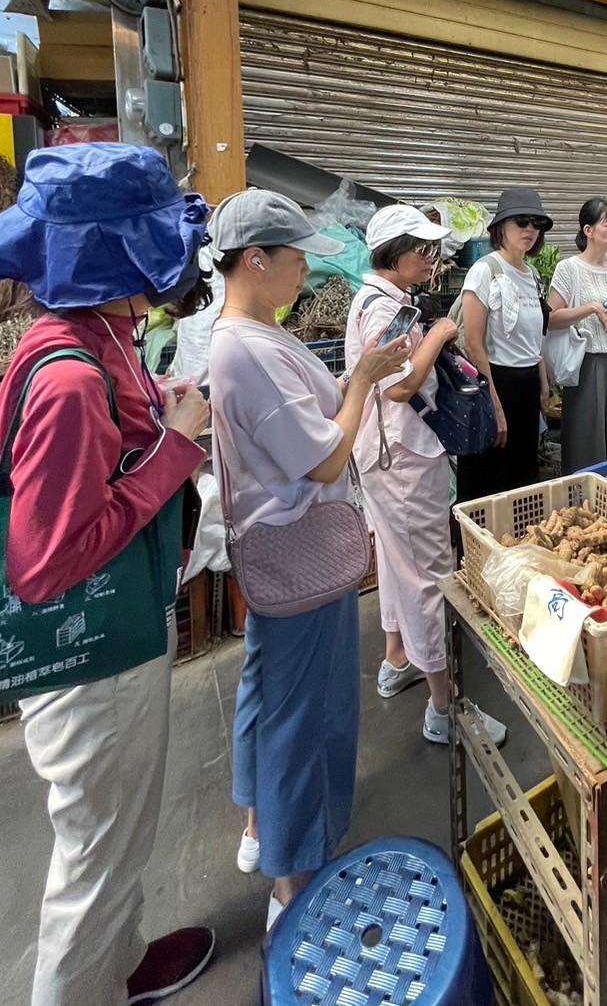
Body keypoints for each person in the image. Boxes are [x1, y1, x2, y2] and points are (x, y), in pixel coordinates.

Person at [0, 143, 215, 1006]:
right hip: (94, 662)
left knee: (115, 833)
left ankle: (120, 962)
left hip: (116, 641)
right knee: (96, 847)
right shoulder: (73, 378)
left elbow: (112, 451)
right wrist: (180, 447)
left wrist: (166, 404)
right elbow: (45, 563)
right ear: (119, 253)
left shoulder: (91, 335)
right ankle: (79, 981)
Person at [205, 190, 408, 928]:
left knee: (269, 697)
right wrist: (363, 379)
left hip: (279, 555)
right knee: (304, 719)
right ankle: (297, 890)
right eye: (295, 263)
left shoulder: (253, 334)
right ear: (254, 261)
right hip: (300, 554)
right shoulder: (245, 350)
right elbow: (324, 460)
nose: (305, 278)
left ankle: (262, 828)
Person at [345, 204, 507, 746]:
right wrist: (440, 332)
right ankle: (446, 708)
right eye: (424, 250)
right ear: (394, 254)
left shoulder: (381, 299)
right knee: (430, 577)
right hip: (403, 463)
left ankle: (397, 659)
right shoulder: (386, 310)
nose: (433, 261)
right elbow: (395, 386)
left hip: (388, 458)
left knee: (397, 563)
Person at [455, 189, 552, 503]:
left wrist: (543, 385)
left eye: (536, 223)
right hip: (494, 381)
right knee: (488, 479)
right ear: (501, 227)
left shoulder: (532, 274)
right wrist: (494, 405)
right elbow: (473, 344)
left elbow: (533, 339)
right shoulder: (484, 271)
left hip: (525, 386)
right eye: (521, 222)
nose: (529, 230)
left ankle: (517, 549)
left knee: (522, 478)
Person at [548, 197, 607, 473]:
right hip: (588, 366)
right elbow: (551, 319)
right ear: (588, 230)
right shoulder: (569, 269)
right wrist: (591, 308)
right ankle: (583, 508)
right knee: (586, 444)